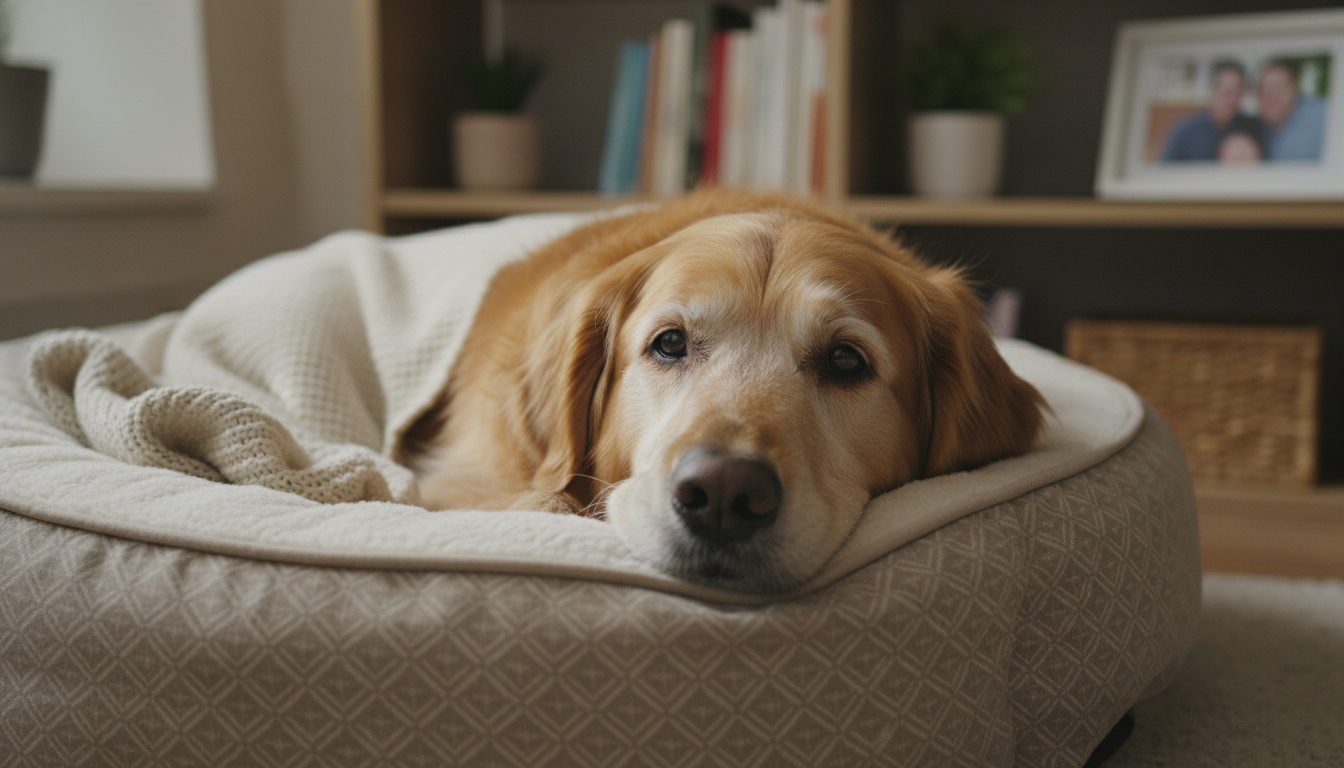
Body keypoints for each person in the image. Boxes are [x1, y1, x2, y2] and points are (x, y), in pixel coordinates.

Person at [1161, 60, 1263, 162]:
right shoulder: (1186, 131)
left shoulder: (1253, 128)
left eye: (1237, 92)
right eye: (1226, 91)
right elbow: (1164, 172)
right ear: (1213, 91)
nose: (1231, 99)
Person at [1256, 58, 1327, 162]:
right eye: (1263, 89)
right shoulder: (1260, 128)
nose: (1269, 96)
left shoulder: (1324, 115)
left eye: (1277, 87)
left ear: (1295, 87)